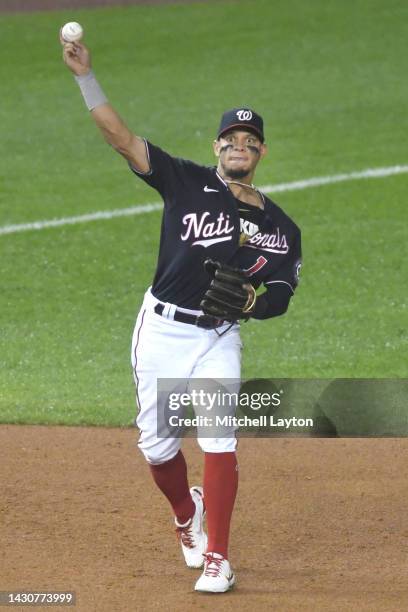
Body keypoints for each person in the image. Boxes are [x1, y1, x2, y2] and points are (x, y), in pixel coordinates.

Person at [60, 35, 301, 594]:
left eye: (250, 139)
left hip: (217, 337)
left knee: (219, 438)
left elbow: (282, 295)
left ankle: (218, 556)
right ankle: (184, 514)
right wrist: (84, 77)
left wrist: (252, 305)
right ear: (217, 147)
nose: (240, 145)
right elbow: (119, 137)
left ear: (260, 153)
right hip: (161, 330)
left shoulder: (282, 229)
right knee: (158, 445)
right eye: (231, 137)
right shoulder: (183, 179)